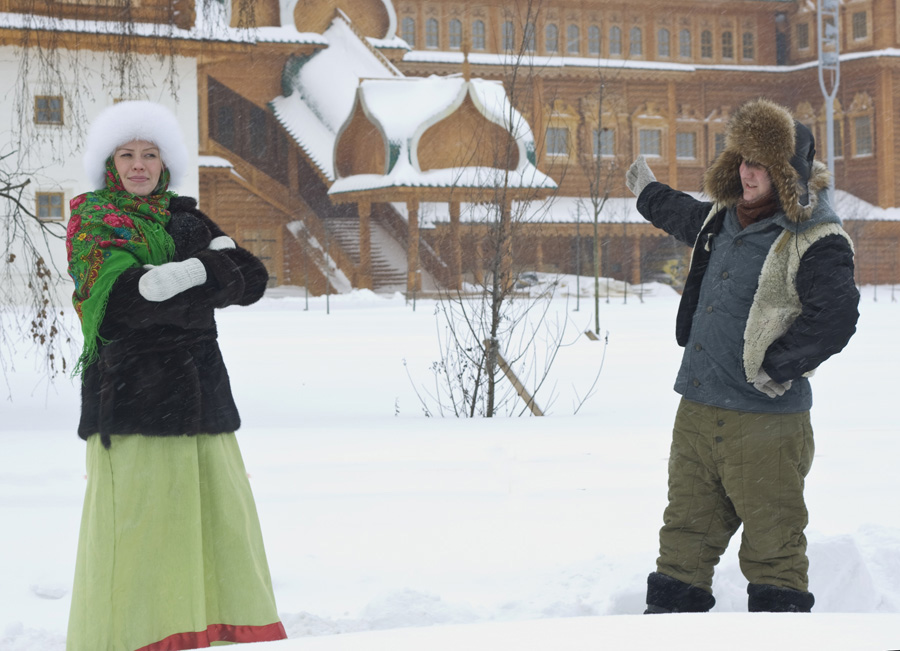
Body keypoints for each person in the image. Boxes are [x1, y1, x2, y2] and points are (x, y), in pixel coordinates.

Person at [65, 100, 287, 650]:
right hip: (134, 396)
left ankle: (212, 629)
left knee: (217, 523)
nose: (139, 165)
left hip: (203, 396)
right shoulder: (93, 221)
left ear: (166, 163)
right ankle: (137, 636)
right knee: (142, 530)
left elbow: (254, 279)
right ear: (109, 164)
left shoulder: (184, 215)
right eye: (127, 155)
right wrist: (208, 270)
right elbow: (122, 303)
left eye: (150, 154)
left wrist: (180, 278)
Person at [625, 98, 859, 613]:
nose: (747, 174)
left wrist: (778, 366)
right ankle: (665, 632)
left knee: (774, 549)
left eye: (760, 165)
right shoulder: (721, 218)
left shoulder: (815, 237)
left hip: (766, 424)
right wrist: (646, 192)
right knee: (683, 536)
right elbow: (681, 213)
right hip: (699, 406)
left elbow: (837, 317)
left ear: (787, 172)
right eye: (742, 161)